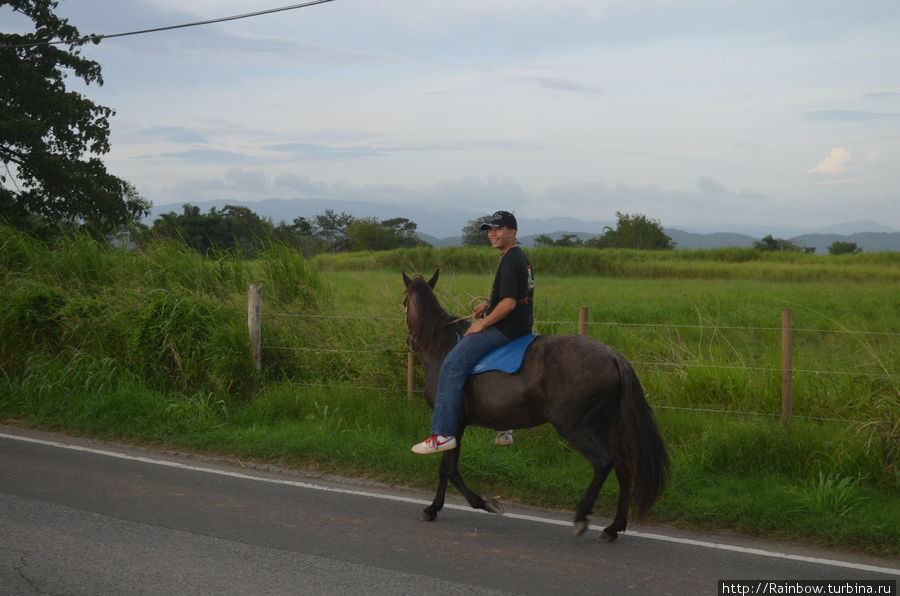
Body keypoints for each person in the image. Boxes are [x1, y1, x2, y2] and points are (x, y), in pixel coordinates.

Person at [412, 210, 535, 454]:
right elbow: (512, 296)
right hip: (520, 325)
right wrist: (488, 305)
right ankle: (504, 425)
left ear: (513, 231)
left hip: (505, 328)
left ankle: (443, 434)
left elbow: (509, 304)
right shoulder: (518, 256)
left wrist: (482, 324)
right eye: (490, 230)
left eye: (498, 229)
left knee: (452, 364)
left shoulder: (510, 260)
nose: (493, 233)